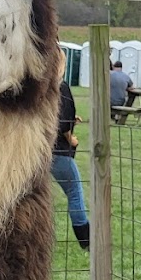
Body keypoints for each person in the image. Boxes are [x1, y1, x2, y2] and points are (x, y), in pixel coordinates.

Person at [51, 76, 90, 249]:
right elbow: (63, 124)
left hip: (43, 152)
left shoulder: (46, 86)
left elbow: (58, 116)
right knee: (75, 191)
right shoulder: (62, 86)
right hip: (59, 152)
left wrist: (73, 118)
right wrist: (71, 138)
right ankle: (86, 239)